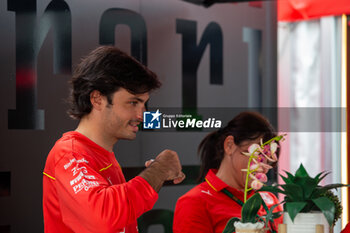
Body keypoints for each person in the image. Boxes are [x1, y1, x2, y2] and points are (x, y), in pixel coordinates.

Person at [42, 46, 185, 233]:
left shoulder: (100, 153)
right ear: (97, 99)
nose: (142, 115)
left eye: (143, 104)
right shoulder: (70, 154)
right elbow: (103, 218)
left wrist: (156, 175)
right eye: (133, 103)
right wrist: (159, 170)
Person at [173, 111, 283, 233]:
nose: (263, 167)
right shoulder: (194, 202)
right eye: (258, 155)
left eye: (268, 161)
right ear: (229, 145)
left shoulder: (269, 200)